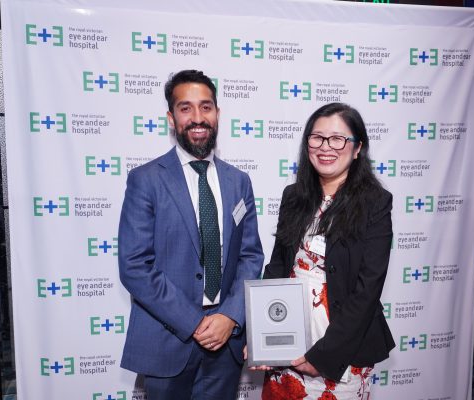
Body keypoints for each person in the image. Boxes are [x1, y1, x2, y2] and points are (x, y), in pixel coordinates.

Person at [118, 69, 264, 399]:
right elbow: (135, 266)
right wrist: (194, 323)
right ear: (171, 118)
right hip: (168, 340)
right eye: (186, 108)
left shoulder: (238, 181)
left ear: (217, 113)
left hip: (225, 345)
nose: (198, 118)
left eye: (206, 107)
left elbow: (250, 256)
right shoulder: (146, 179)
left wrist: (230, 315)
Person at [260, 103, 394, 399]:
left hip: (342, 348)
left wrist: (324, 356)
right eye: (317, 137)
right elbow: (278, 267)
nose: (326, 147)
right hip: (288, 340)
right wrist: (262, 335)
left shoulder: (376, 202)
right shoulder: (293, 196)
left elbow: (368, 289)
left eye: (338, 139)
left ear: (357, 148)